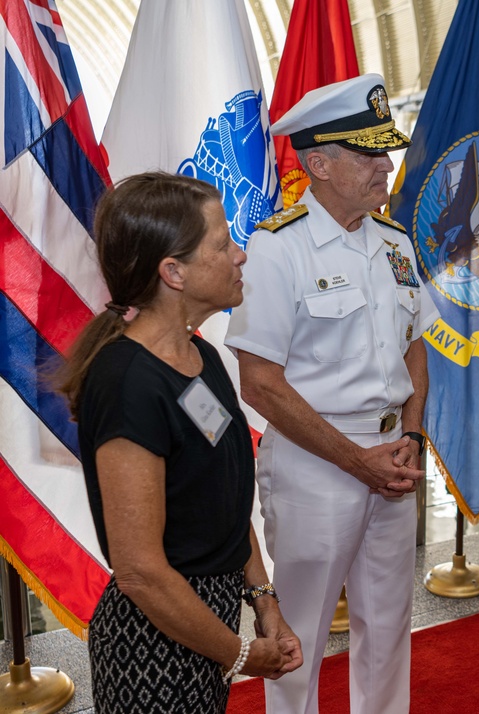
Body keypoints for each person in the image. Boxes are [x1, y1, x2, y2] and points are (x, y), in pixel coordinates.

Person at [224, 74, 438, 714]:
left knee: (388, 620)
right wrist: (356, 460)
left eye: (386, 151)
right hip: (316, 463)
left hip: (391, 457)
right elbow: (259, 381)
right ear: (318, 162)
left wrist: (413, 435)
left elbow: (414, 345)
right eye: (369, 154)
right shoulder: (276, 248)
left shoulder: (394, 243)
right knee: (299, 633)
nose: (386, 166)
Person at [58, 172, 303, 713]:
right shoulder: (127, 383)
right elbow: (141, 572)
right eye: (222, 243)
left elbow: (225, 499)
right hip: (155, 640)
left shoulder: (201, 359)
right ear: (173, 272)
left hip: (206, 622)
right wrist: (240, 654)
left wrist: (262, 601)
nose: (240, 255)